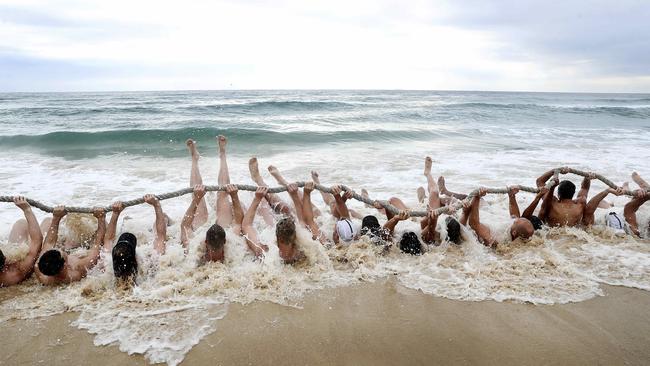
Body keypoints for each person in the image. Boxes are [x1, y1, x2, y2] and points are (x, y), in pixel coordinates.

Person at [35, 206, 106, 285]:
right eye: (61, 251)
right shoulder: (78, 270)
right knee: (103, 226)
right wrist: (101, 218)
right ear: (65, 265)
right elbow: (97, 244)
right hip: (81, 251)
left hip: (68, 254)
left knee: (47, 221)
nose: (59, 249)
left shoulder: (40, 269)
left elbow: (49, 243)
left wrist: (56, 218)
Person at [181, 183, 245, 262]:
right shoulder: (233, 248)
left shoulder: (193, 250)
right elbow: (238, 222)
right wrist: (234, 195)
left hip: (201, 232)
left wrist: (197, 197)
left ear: (206, 241)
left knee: (197, 186)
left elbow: (185, 226)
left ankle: (198, 185)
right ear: (225, 241)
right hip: (212, 233)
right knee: (223, 200)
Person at [466, 188, 534, 248]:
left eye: (514, 222)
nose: (514, 219)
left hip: (472, 220)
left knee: (461, 198)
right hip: (487, 213)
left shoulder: (496, 239)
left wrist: (477, 197)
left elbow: (474, 225)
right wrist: (511, 196)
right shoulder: (522, 239)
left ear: (514, 233)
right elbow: (515, 216)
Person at [0, 197, 44, 287]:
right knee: (47, 221)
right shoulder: (16, 271)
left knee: (21, 224)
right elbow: (37, 240)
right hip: (21, 271)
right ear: (4, 260)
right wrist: (27, 209)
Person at [623, 172, 650, 237]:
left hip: (634, 209)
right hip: (640, 209)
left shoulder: (636, 232)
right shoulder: (640, 232)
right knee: (644, 190)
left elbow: (628, 208)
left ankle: (625, 187)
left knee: (629, 196)